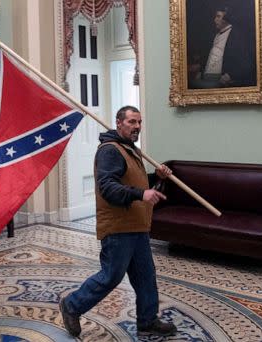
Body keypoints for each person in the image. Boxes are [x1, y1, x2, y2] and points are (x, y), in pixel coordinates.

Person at [59, 106, 177, 338]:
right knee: (111, 276)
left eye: (139, 122)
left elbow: (133, 182)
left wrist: (156, 178)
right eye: (132, 122)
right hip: (118, 227)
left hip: (137, 225)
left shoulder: (130, 149)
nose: (137, 127)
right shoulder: (110, 151)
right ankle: (72, 305)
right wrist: (141, 195)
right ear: (119, 123)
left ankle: (147, 320)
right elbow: (109, 188)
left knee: (145, 276)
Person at [189, 6, 255, 88]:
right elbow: (211, 56)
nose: (215, 20)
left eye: (218, 16)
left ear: (227, 17)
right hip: (207, 77)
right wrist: (201, 71)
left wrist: (230, 75)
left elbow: (246, 61)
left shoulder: (236, 35)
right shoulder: (216, 34)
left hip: (221, 80)